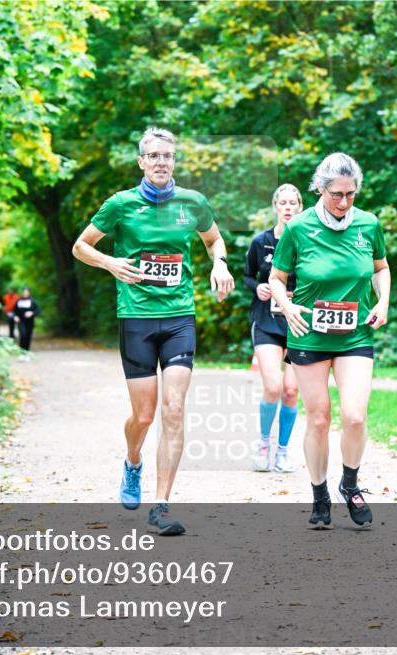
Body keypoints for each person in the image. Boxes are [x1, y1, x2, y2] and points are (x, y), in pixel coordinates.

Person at [72, 127, 235, 536]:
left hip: (180, 316)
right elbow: (80, 246)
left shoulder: (193, 202)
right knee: (144, 416)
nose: (162, 162)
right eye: (154, 156)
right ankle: (132, 461)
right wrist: (110, 263)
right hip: (137, 318)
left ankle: (161, 505)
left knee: (174, 410)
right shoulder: (121, 205)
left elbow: (214, 241)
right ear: (141, 162)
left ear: (174, 161)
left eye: (168, 155)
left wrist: (220, 263)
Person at [268, 153, 390, 530]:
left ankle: (349, 484)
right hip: (309, 333)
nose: (344, 202)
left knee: (354, 416)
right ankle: (319, 495)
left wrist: (383, 301)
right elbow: (276, 278)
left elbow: (381, 269)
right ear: (320, 189)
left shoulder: (368, 224)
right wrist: (286, 306)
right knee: (318, 419)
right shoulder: (299, 228)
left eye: (351, 194)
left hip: (355, 332)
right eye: (336, 194)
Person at [245, 184, 302, 473]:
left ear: (300, 207)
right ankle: (263, 443)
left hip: (298, 324)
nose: (289, 207)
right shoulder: (261, 241)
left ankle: (282, 450)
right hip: (267, 322)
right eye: (284, 203)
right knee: (273, 385)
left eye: (294, 203)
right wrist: (258, 287)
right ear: (276, 207)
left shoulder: (308, 241)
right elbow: (246, 276)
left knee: (291, 391)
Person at [14, 286, 40, 351]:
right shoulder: (18, 301)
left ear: (29, 293)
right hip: (21, 321)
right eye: (24, 292)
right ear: (22, 293)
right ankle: (22, 351)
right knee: (23, 335)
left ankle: (27, 351)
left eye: (26, 292)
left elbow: (38, 310)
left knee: (28, 336)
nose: (25, 294)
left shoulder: (32, 301)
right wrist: (15, 316)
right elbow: (15, 311)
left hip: (30, 322)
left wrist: (32, 313)